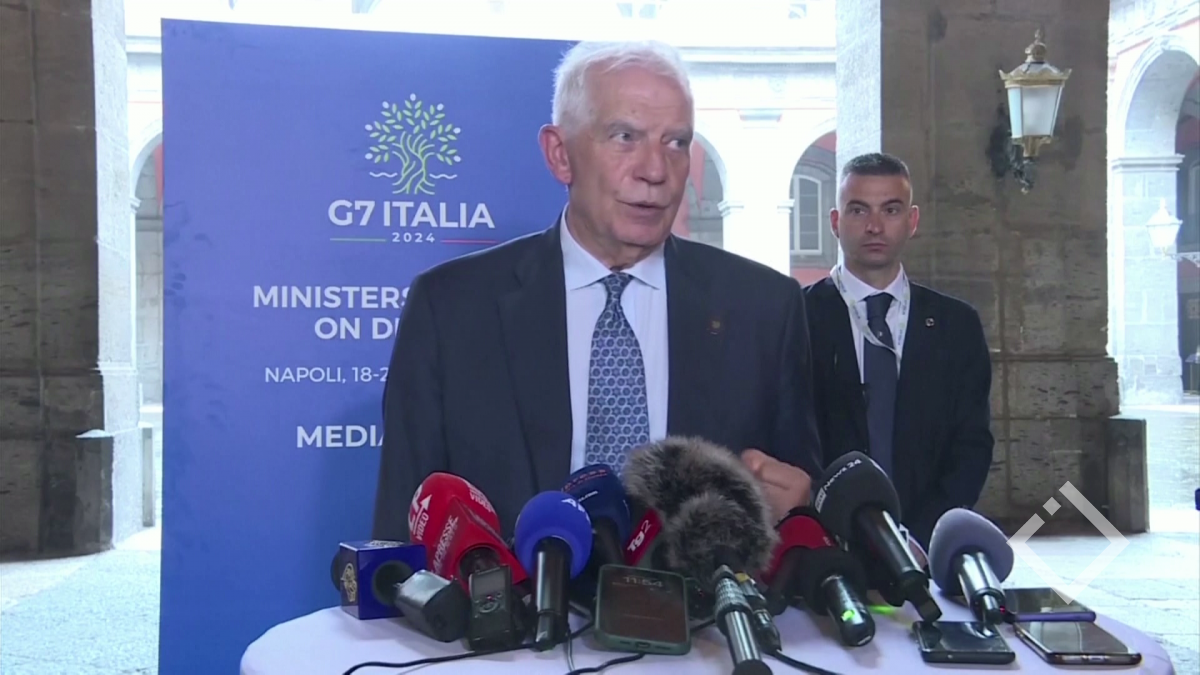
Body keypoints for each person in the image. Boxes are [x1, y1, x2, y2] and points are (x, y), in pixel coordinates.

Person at [372, 40, 822, 541]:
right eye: (625, 137)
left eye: (676, 142)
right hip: (512, 593)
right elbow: (403, 533)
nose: (656, 171)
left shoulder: (765, 309)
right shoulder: (451, 310)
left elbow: (801, 513)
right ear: (560, 155)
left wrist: (799, 513)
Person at [803, 152, 994, 548]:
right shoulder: (796, 318)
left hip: (924, 544)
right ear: (836, 222)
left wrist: (922, 539)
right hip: (824, 545)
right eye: (859, 210)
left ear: (912, 220)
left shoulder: (956, 326)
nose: (875, 226)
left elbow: (971, 445)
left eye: (890, 210)